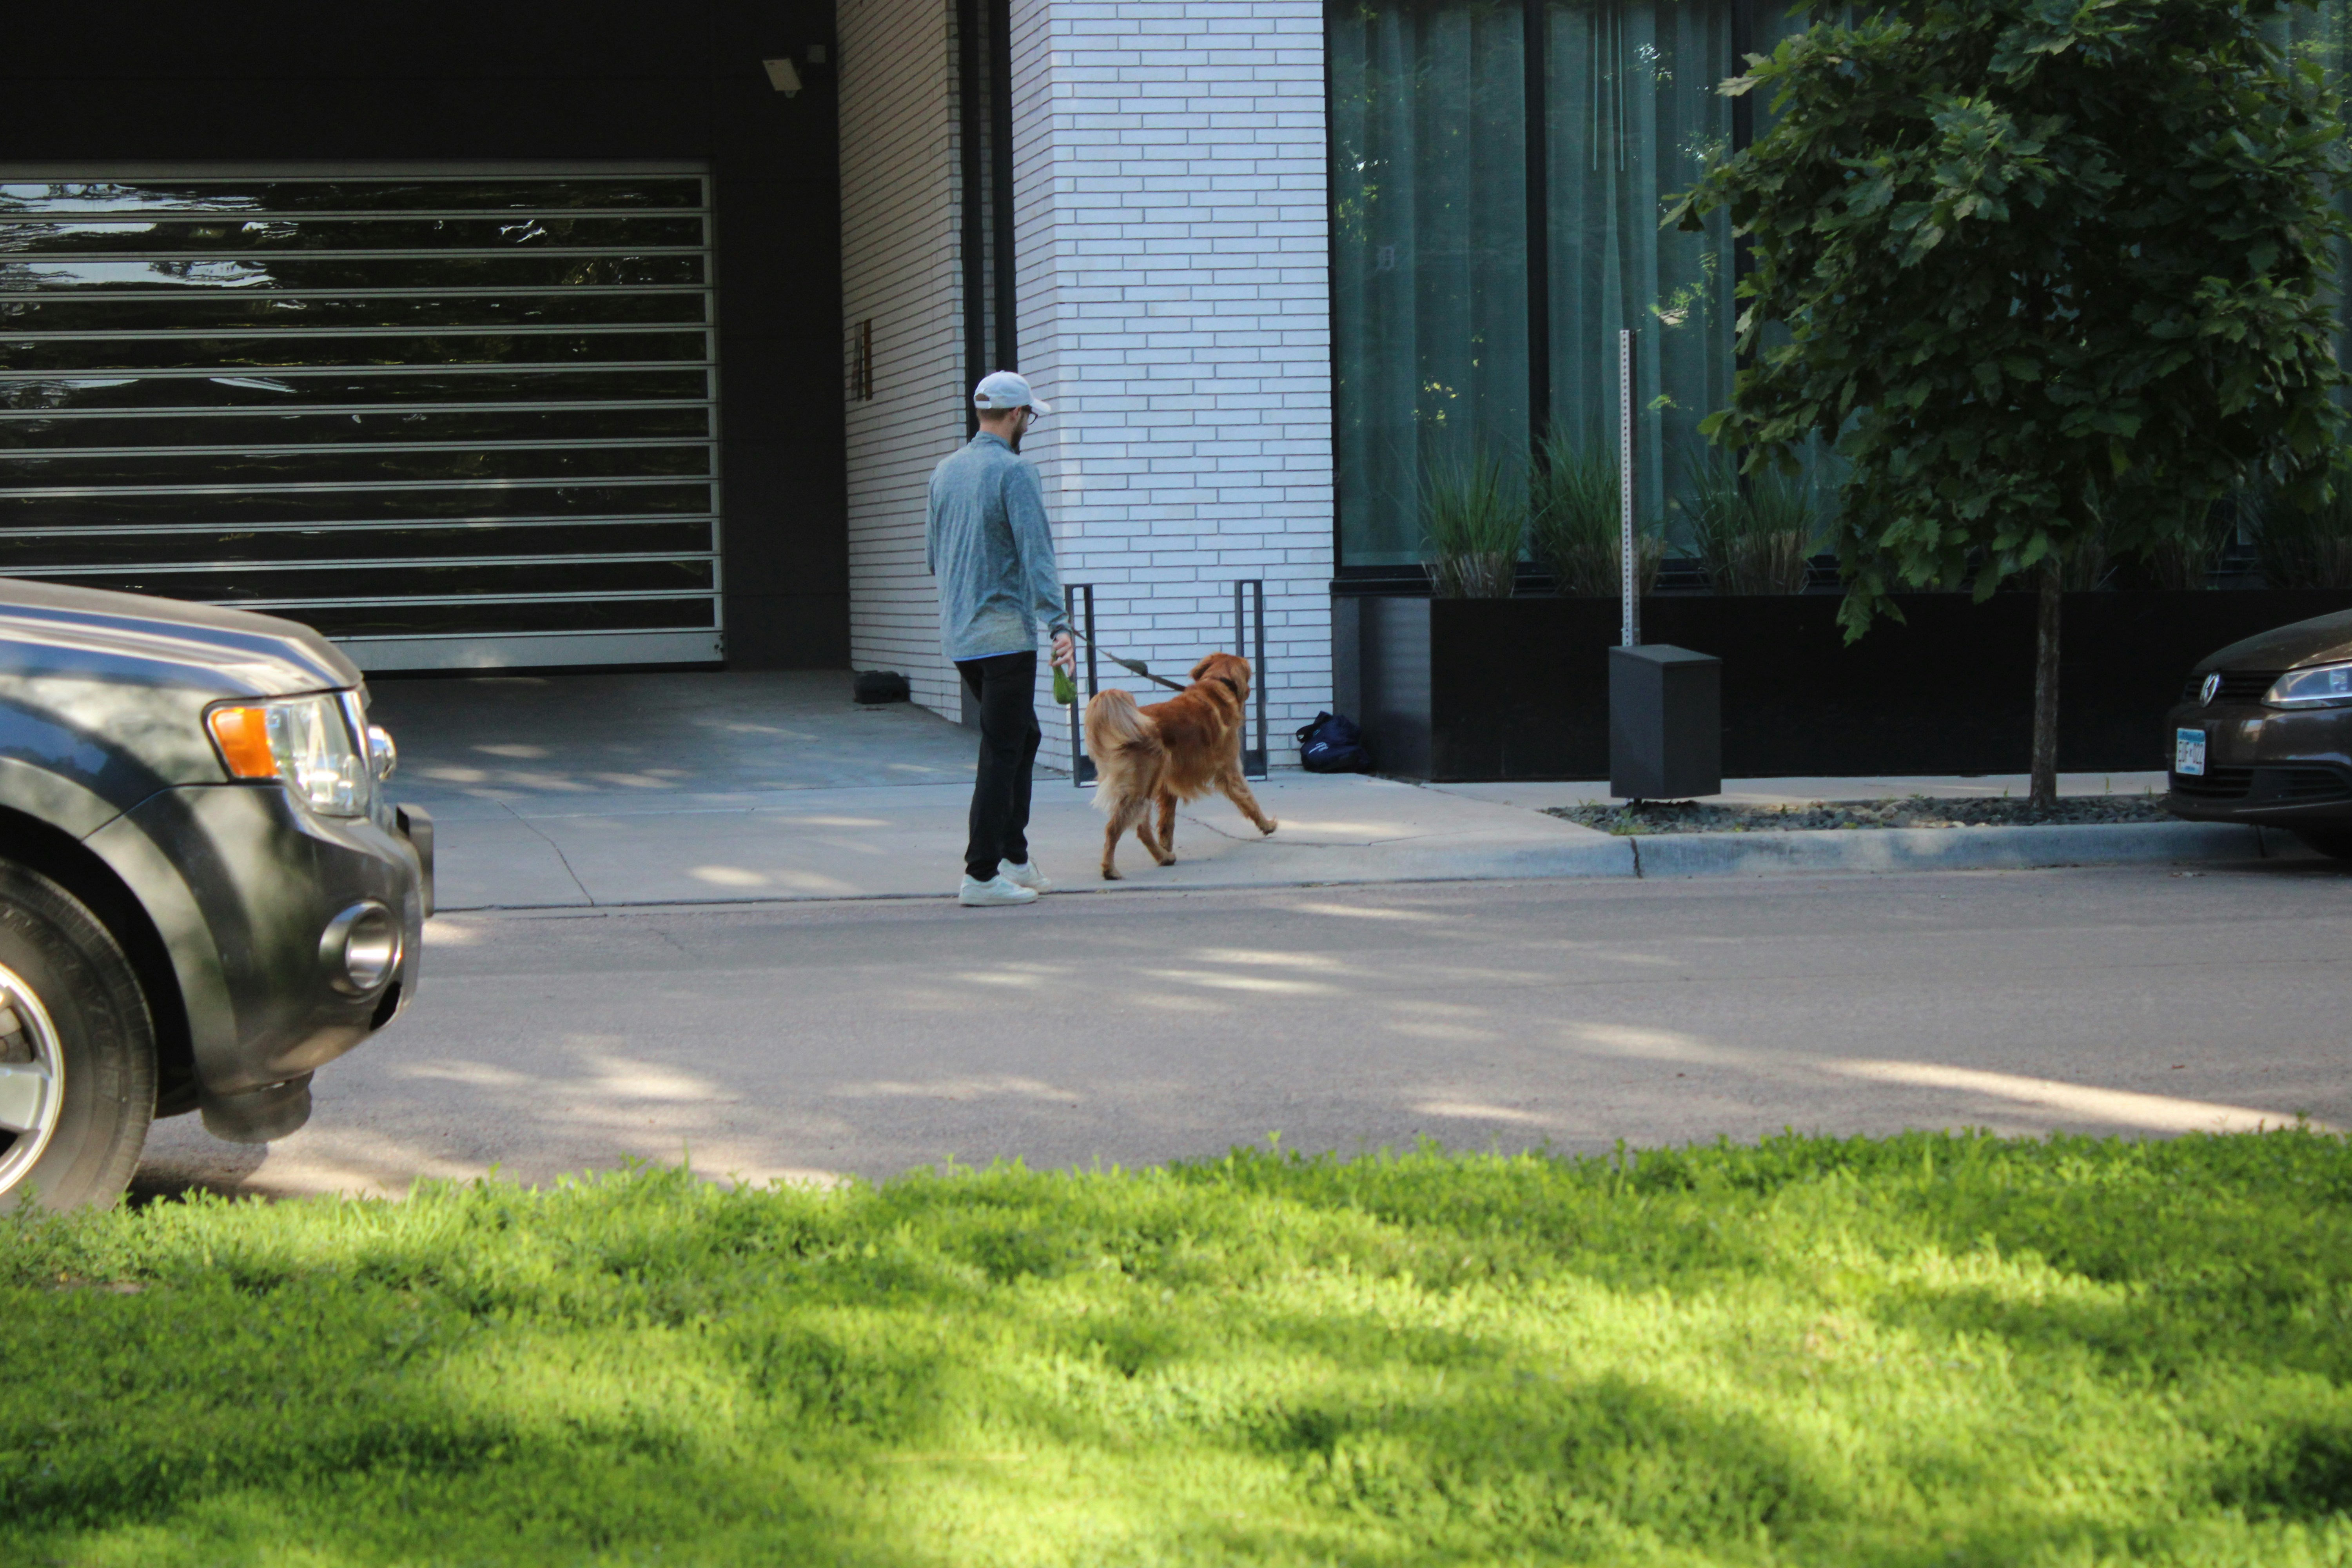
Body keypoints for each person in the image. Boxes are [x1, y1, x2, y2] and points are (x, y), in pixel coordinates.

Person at [926, 370, 1077, 907]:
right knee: (1002, 750)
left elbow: (932, 558)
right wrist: (1060, 625)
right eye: (1029, 416)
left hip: (962, 635)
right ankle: (981, 874)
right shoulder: (1015, 473)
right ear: (1016, 416)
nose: (1029, 424)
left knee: (1023, 738)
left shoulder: (944, 472)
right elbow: (1037, 555)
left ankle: (1015, 857)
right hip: (1007, 637)